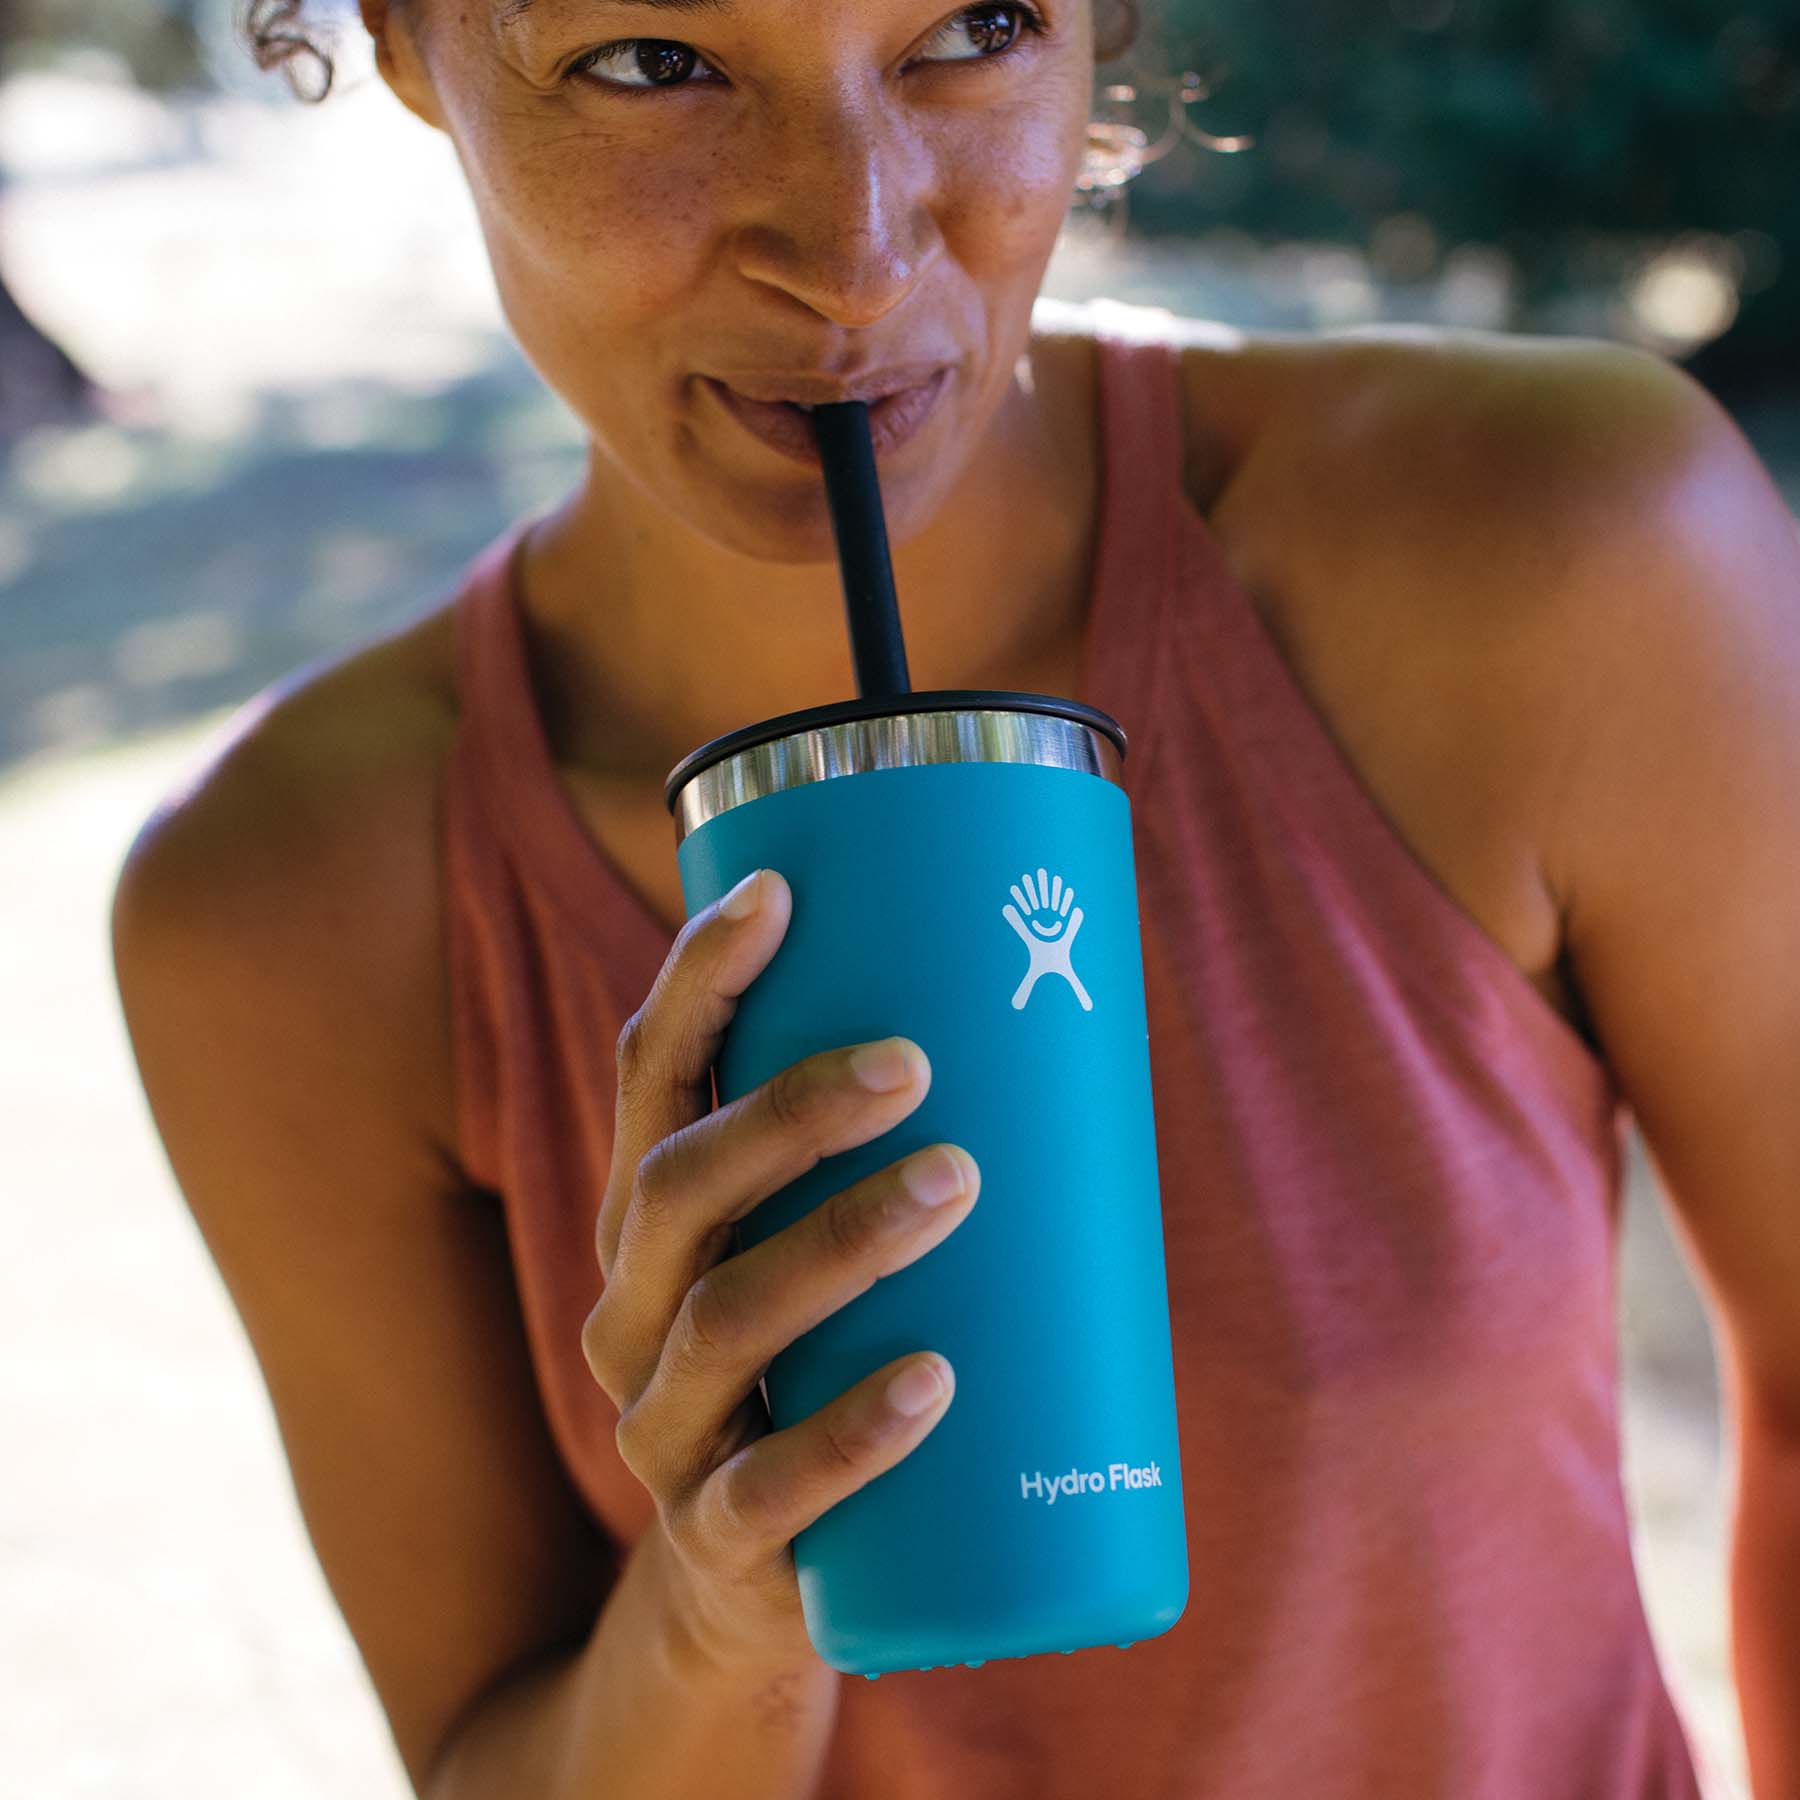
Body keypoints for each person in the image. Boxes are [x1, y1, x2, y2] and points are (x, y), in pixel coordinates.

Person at [109, 1, 1800, 1796]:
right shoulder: (291, 911)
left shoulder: (1556, 553)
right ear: (404, 46)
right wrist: (716, 1614)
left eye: (976, 26)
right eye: (653, 61)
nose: (852, 254)